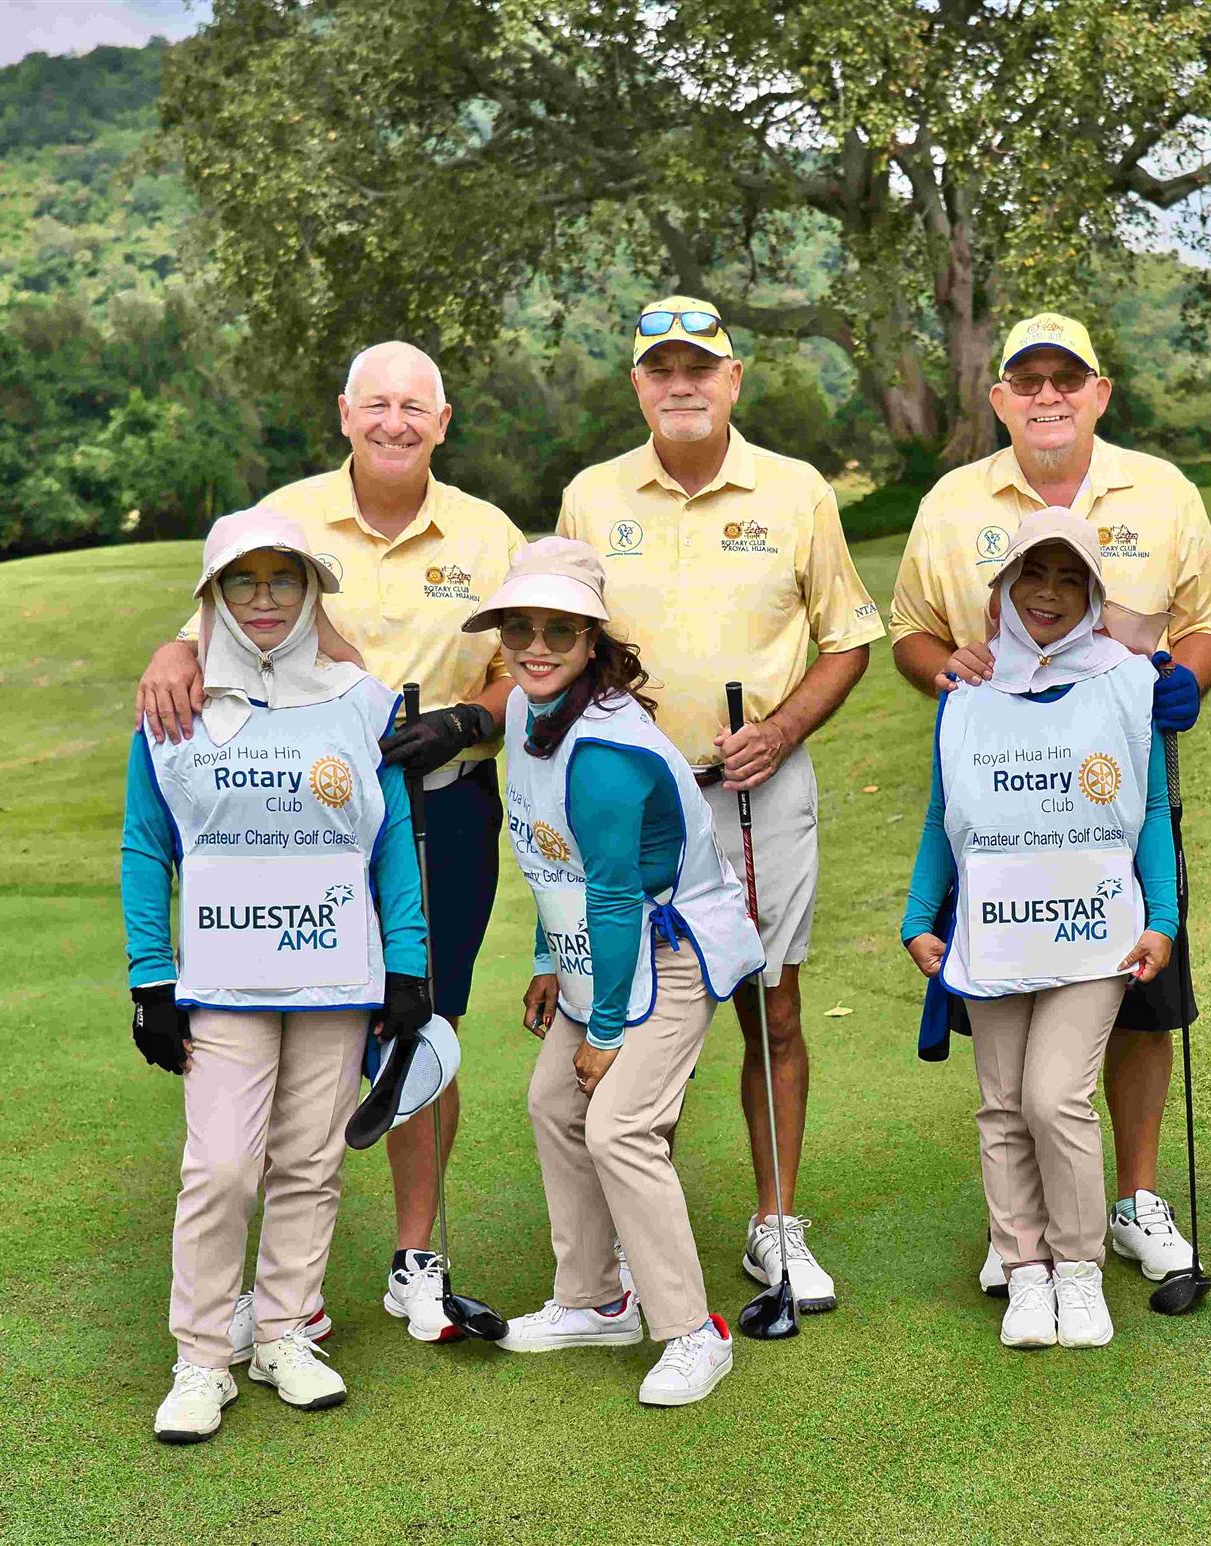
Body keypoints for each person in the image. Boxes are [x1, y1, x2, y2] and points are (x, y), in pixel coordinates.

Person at [132, 341, 525, 1344]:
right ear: (345, 415)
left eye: (415, 407)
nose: (394, 421)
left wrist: (467, 721)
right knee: (299, 1019)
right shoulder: (288, 513)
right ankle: (276, 1294)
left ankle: (415, 1261)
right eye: (375, 404)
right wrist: (170, 647)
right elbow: (213, 622)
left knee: (421, 1025)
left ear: (443, 423)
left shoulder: (487, 532)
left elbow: (521, 670)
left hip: (442, 804)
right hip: (294, 816)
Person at [890, 312, 1211, 1295]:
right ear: (998, 397)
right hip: (1000, 811)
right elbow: (910, 630)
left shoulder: (1161, 490)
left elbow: (1208, 621)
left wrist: (1186, 680)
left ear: (1098, 392)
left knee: (1137, 1000)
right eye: (1026, 380)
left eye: (1065, 378)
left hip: (1117, 801)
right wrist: (945, 670)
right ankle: (1024, 1227)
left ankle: (1134, 1199)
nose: (1047, 395)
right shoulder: (952, 501)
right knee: (1013, 1012)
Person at [555, 297, 883, 1311]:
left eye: (698, 368)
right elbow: (555, 641)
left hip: (757, 789)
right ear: (637, 387)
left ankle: (773, 1222)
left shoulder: (795, 491)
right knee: (626, 1001)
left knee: (770, 1005)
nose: (680, 385)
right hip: (628, 803)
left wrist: (780, 731)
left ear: (733, 379)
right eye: (660, 370)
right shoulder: (590, 497)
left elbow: (847, 639)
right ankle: (620, 1229)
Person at [122, 508, 430, 1443]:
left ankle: (284, 1333)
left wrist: (408, 963)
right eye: (242, 580)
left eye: (283, 578)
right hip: (222, 978)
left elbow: (393, 843)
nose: (264, 599)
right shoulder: (172, 703)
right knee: (220, 1168)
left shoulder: (362, 703)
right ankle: (201, 1357)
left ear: (310, 592)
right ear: (212, 594)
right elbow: (146, 844)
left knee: (309, 1162)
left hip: (336, 974)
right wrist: (150, 978)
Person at [471, 538, 765, 1405]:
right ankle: (594, 1300)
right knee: (552, 1103)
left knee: (620, 1127)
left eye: (558, 630)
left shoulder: (604, 750)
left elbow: (610, 892)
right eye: (518, 628)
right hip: (598, 949)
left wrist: (603, 1031)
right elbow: (547, 851)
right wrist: (545, 959)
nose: (534, 647)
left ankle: (691, 1331)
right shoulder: (529, 713)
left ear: (592, 640)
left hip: (666, 949)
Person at [901, 508, 1179, 1349]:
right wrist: (917, 916)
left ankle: (1078, 1269)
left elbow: (1150, 810)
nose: (1048, 593)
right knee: (1000, 1105)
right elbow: (942, 814)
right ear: (1003, 588)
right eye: (1032, 574)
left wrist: (1163, 919)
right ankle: (1025, 1272)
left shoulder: (1128, 681)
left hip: (1096, 928)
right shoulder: (967, 692)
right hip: (995, 925)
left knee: (1054, 1097)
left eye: (1068, 578)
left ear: (1092, 593)